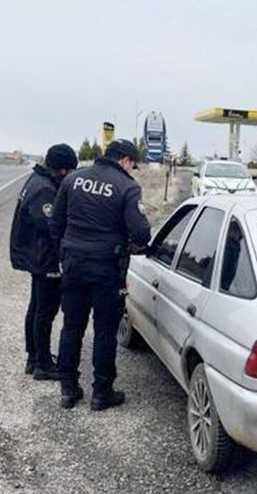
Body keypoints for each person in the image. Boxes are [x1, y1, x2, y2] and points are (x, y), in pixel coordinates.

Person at [49, 139, 151, 410]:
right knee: (105, 330)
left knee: (72, 327)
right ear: (125, 160)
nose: (131, 169)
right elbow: (141, 233)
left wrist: (65, 252)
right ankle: (101, 393)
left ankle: (68, 389)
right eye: (131, 164)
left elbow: (55, 223)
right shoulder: (127, 187)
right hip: (107, 268)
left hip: (73, 264)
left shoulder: (74, 179)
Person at [10, 144, 78, 381]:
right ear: (62, 169)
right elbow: (51, 228)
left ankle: (34, 357)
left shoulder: (37, 179)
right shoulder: (45, 190)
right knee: (45, 311)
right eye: (69, 170)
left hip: (35, 254)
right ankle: (42, 363)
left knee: (37, 306)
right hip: (43, 256)